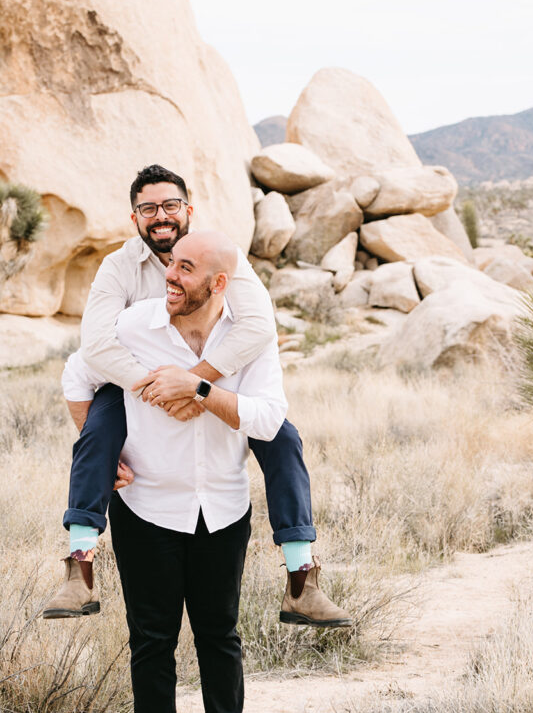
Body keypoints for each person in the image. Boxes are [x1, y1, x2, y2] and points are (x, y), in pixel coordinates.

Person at [43, 164, 350, 628]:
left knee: (282, 437)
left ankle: (302, 579)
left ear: (189, 211)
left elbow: (259, 326)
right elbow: (96, 347)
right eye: (148, 208)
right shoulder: (119, 267)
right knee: (97, 433)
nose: (160, 216)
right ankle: (79, 568)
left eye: (170, 205)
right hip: (129, 379)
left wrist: (194, 383)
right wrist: (158, 389)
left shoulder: (220, 256)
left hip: (211, 374)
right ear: (135, 218)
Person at [62, 230, 287, 713]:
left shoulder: (248, 338)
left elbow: (267, 419)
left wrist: (200, 388)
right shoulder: (135, 327)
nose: (170, 274)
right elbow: (77, 372)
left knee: (221, 637)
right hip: (147, 510)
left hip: (223, 506)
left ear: (218, 283)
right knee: (153, 642)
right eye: (170, 264)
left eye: (185, 268)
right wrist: (101, 446)